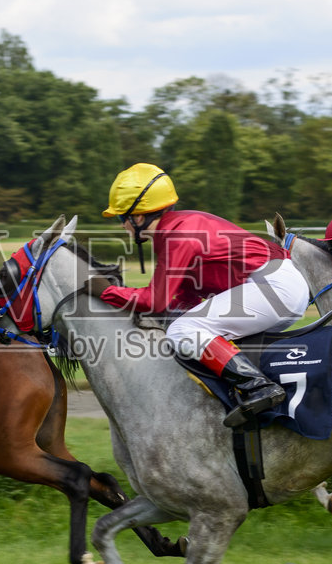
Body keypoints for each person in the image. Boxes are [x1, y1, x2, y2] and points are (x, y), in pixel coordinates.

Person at [97, 163, 308, 428]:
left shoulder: (178, 235)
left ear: (138, 217)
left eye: (121, 218)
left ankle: (259, 388)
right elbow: (182, 296)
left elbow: (156, 300)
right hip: (277, 286)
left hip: (274, 288)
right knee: (190, 330)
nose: (122, 226)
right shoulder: (177, 228)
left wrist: (106, 291)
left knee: (183, 330)